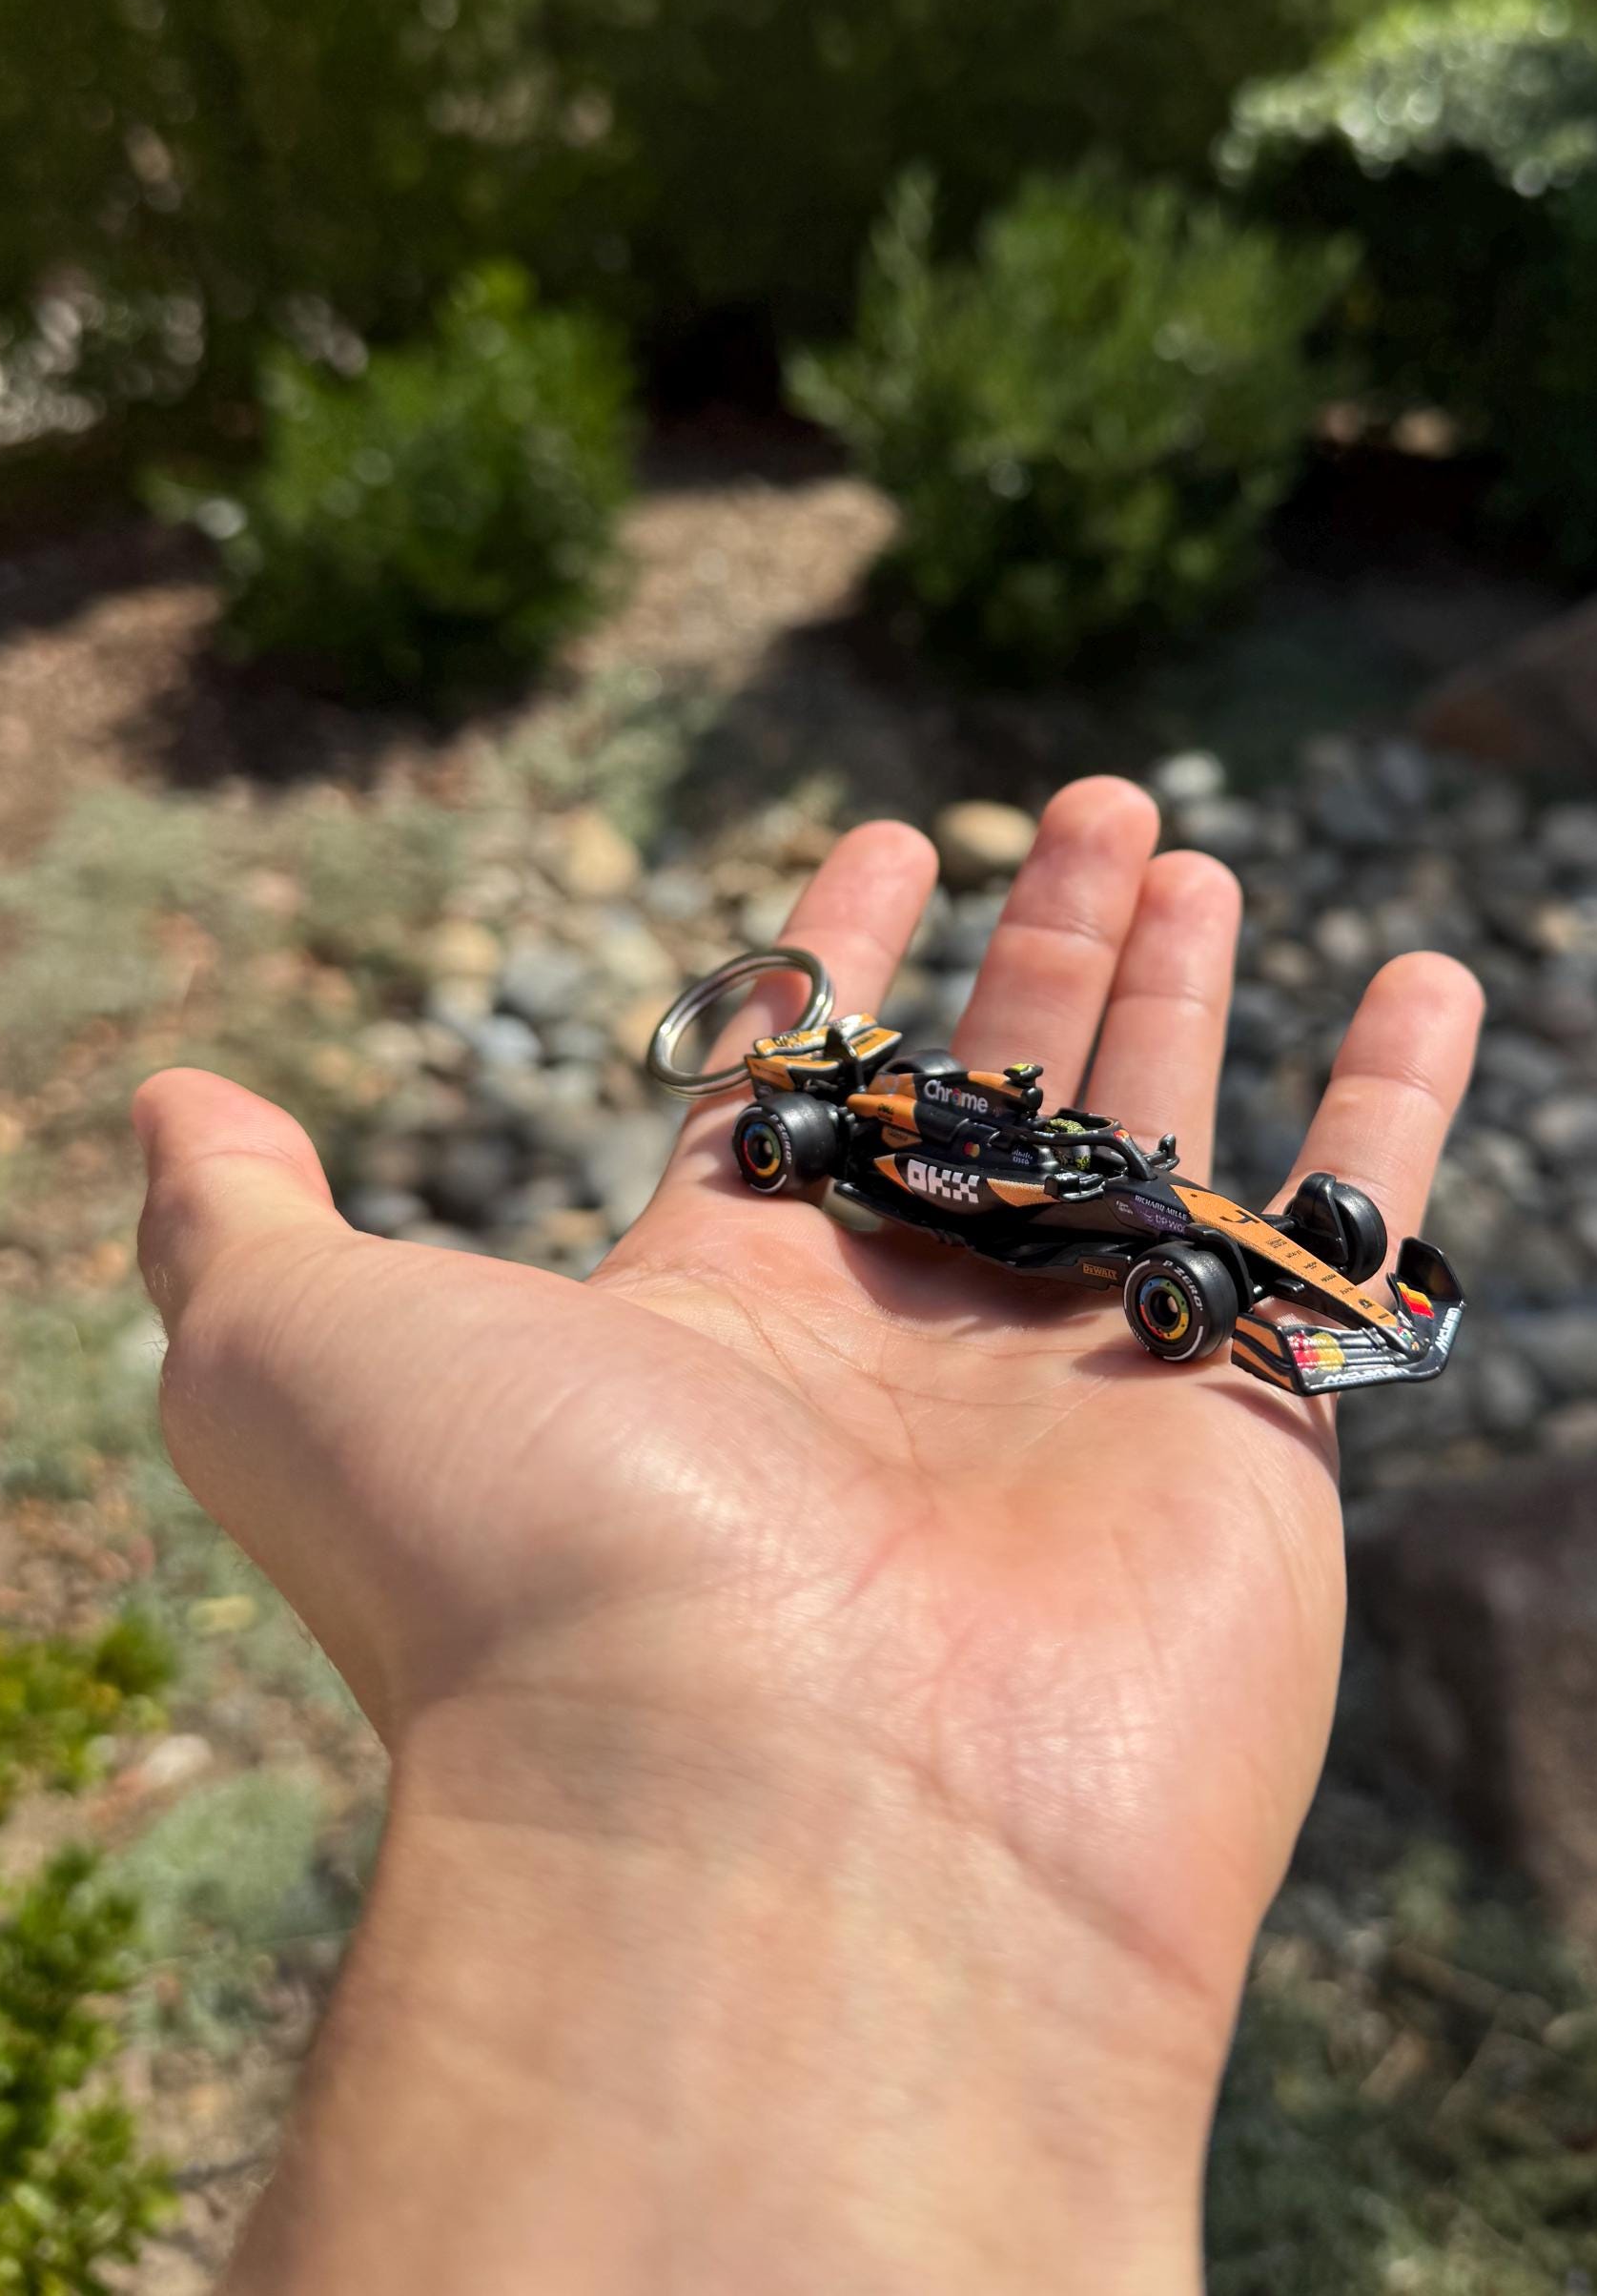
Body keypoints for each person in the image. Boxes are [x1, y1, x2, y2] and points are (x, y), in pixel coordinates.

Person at [133, 775, 1484, 2292]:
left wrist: (1274, 1238)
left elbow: (1099, 1171)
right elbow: (924, 1148)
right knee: (1136, 1220)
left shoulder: (1084, 1171)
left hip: (1048, 1171)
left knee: (1178, 1203)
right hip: (963, 1183)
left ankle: (1323, 1283)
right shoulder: (890, 1143)